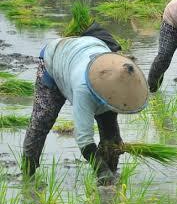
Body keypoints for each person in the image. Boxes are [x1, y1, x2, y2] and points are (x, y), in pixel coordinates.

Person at [22, 31, 149, 184]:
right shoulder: (83, 89)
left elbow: (111, 134)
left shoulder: (118, 74)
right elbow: (83, 138)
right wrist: (101, 170)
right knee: (42, 120)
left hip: (88, 48)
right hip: (55, 58)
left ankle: (110, 176)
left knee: (111, 135)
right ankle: (27, 175)